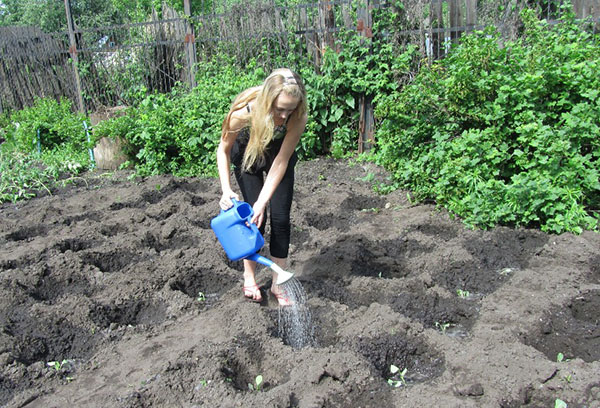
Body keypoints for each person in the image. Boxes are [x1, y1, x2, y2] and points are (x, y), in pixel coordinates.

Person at [216, 68, 308, 306]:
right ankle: (249, 276)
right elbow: (223, 149)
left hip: (277, 156)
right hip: (248, 154)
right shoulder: (243, 113)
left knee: (279, 218)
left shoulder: (298, 116)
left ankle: (279, 281)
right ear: (268, 101)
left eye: (290, 110)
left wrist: (262, 201)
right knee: (255, 219)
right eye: (279, 109)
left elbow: (281, 161)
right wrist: (226, 190)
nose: (285, 116)